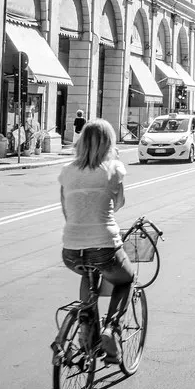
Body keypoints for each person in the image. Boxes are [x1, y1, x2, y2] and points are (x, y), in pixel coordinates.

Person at [58, 119, 133, 364]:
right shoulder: (113, 169)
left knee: (87, 275)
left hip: (70, 250)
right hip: (104, 245)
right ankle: (111, 330)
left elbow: (67, 210)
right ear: (109, 143)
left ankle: (87, 335)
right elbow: (119, 203)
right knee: (126, 279)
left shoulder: (67, 171)